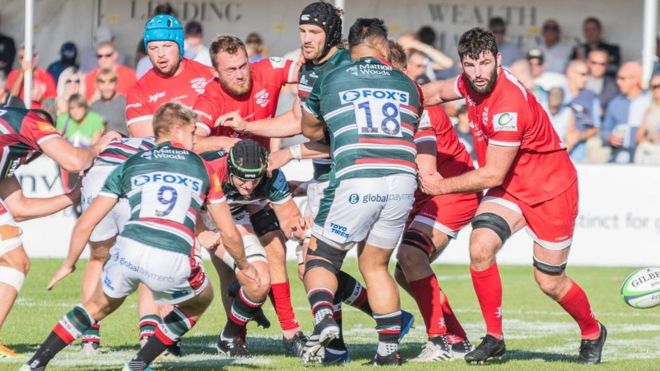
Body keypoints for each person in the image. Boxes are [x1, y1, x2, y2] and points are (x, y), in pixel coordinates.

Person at [220, 4, 415, 364]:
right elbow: (296, 119)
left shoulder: (345, 67)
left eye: (314, 32)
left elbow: (341, 138)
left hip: (343, 176)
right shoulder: (310, 69)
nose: (306, 39)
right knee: (332, 263)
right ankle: (366, 333)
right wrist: (249, 125)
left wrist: (291, 155)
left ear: (333, 35)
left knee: (316, 261)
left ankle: (340, 338)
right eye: (302, 31)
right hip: (348, 176)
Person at [421, 27, 606, 364]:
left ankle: (592, 330)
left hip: (551, 190)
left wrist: (439, 185)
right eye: (470, 64)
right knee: (480, 246)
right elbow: (431, 92)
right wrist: (395, 95)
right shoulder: (469, 82)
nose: (478, 73)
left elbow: (492, 174)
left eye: (485, 64)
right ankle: (494, 337)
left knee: (550, 282)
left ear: (499, 60)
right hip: (511, 188)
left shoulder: (508, 103)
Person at [20, 102, 251, 371]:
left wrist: (68, 264)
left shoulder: (131, 163)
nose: (194, 140)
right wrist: (244, 267)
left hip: (127, 252)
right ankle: (138, 363)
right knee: (201, 299)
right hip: (172, 257)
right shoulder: (202, 167)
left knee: (94, 306)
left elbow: (86, 223)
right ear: (177, 131)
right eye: (191, 133)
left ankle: (35, 363)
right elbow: (230, 233)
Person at [300, 18, 422, 366]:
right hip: (401, 180)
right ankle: (388, 352)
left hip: (357, 174)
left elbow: (308, 127)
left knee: (320, 256)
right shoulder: (408, 83)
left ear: (350, 49)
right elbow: (409, 124)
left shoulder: (331, 77)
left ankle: (323, 316)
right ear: (384, 47)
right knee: (376, 265)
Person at [193, 36, 308, 355]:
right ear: (216, 72)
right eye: (231, 70)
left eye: (243, 65)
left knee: (276, 245)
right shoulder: (209, 99)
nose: (241, 74)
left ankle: (290, 332)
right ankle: (235, 336)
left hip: (257, 180)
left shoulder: (268, 70)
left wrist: (305, 96)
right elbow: (194, 143)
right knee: (237, 271)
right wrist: (238, 146)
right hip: (219, 192)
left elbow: (308, 68)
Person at [0, 107, 119, 357]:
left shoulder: (7, 147)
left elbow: (19, 208)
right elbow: (75, 160)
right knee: (14, 262)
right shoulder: (30, 120)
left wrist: (72, 197)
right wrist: (97, 147)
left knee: (15, 261)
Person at [389, 41, 479, 362]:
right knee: (405, 271)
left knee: (411, 255)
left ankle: (438, 341)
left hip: (450, 190)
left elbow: (423, 153)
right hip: (427, 192)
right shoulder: (396, 99)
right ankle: (456, 338)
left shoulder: (414, 101)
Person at [199, 139, 306, 357]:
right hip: (204, 214)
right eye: (242, 180)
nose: (249, 186)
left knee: (267, 263)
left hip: (241, 210)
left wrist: (297, 230)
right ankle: (235, 336)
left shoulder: (271, 174)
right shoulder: (207, 171)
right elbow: (182, 204)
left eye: (254, 180)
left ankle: (288, 330)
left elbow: (289, 218)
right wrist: (200, 232)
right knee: (231, 274)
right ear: (230, 168)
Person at [75, 136, 155, 354]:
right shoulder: (161, 141)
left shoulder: (109, 141)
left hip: (97, 177)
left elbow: (80, 166)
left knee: (97, 259)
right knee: (144, 261)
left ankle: (89, 337)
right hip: (131, 177)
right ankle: (149, 337)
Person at [126, 14, 215, 138]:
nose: (160, 54)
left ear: (180, 46)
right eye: (153, 48)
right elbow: (150, 142)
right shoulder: (138, 91)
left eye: (167, 46)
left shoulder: (210, 76)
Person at [601, 62, 651, 163]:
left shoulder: (649, 100)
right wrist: (610, 137)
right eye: (618, 78)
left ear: (636, 79)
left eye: (623, 78)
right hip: (619, 152)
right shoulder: (614, 103)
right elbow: (605, 129)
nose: (618, 82)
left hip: (645, 152)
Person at [562, 60, 601, 162]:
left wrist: (578, 137)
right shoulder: (557, 93)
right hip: (556, 144)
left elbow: (596, 128)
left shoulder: (591, 97)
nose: (586, 79)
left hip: (580, 151)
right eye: (582, 74)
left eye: (587, 75)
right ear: (570, 73)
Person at [90, 68, 128, 135]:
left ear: (116, 83)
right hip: (101, 143)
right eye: (102, 82)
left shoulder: (124, 102)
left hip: (121, 142)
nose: (106, 87)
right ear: (97, 84)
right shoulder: (94, 107)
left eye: (111, 81)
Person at [634, 73, 660, 165]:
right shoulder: (649, 110)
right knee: (642, 148)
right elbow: (639, 136)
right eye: (654, 87)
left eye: (659, 86)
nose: (657, 89)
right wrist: (649, 140)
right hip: (652, 148)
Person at [585, 49, 620, 116]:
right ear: (588, 62)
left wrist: (604, 113)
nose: (598, 67)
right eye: (594, 63)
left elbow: (615, 111)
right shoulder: (578, 81)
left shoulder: (613, 87)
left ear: (607, 65)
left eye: (602, 64)